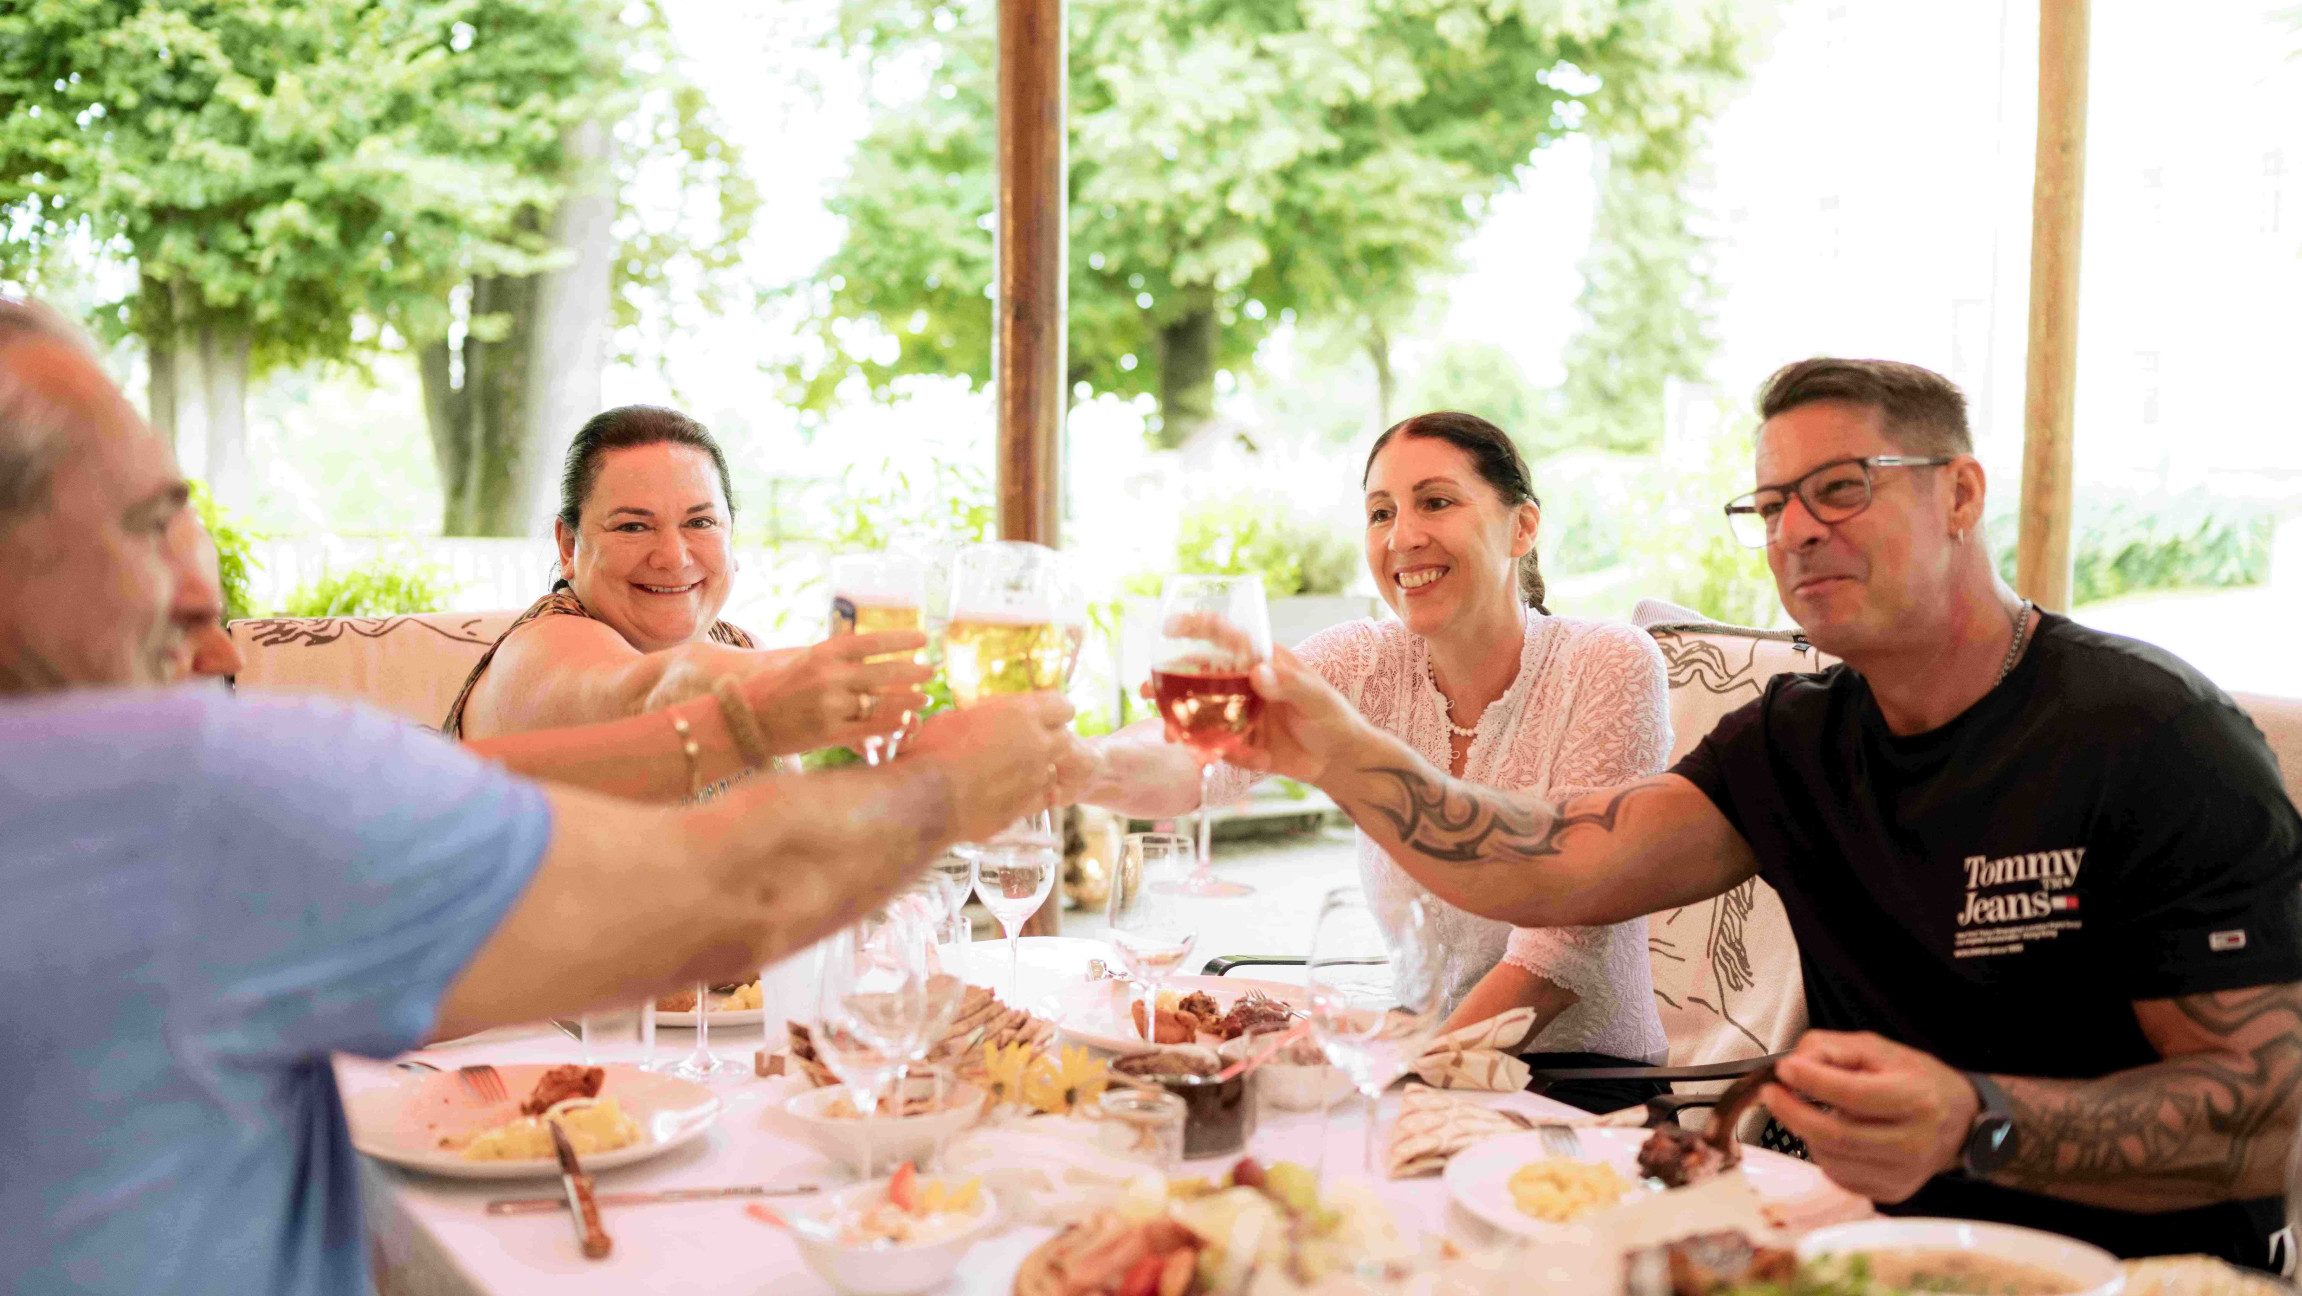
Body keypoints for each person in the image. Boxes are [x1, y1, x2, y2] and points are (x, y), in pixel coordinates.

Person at [0, 296, 1089, 1295]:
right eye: (151, 519)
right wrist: (940, 780)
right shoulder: (197, 792)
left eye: (701, 520)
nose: (215, 617)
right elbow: (734, 871)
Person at [1228, 358, 2302, 1266]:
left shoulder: (2152, 734)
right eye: (1771, 504)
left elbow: (2270, 1121)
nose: (1796, 530)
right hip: (1862, 1253)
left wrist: (1975, 1122)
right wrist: (1338, 751)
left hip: (2132, 1274)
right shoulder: (1795, 740)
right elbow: (1548, 864)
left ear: (1961, 495)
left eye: (1839, 488)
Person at [1078, 411, 1673, 1109]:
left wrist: (1394, 1078)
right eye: (1381, 512)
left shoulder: (1607, 664)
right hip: (1419, 1059)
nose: (1402, 537)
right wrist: (1075, 766)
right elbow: (1201, 762)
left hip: (1580, 1086)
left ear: (1523, 527)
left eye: (1436, 502)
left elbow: (1561, 949)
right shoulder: (1365, 659)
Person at [444, 404, 927, 793]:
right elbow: (647, 692)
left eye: (700, 522)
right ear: (569, 547)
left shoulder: (743, 647)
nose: (673, 558)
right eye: (633, 526)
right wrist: (803, 678)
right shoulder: (541, 648)